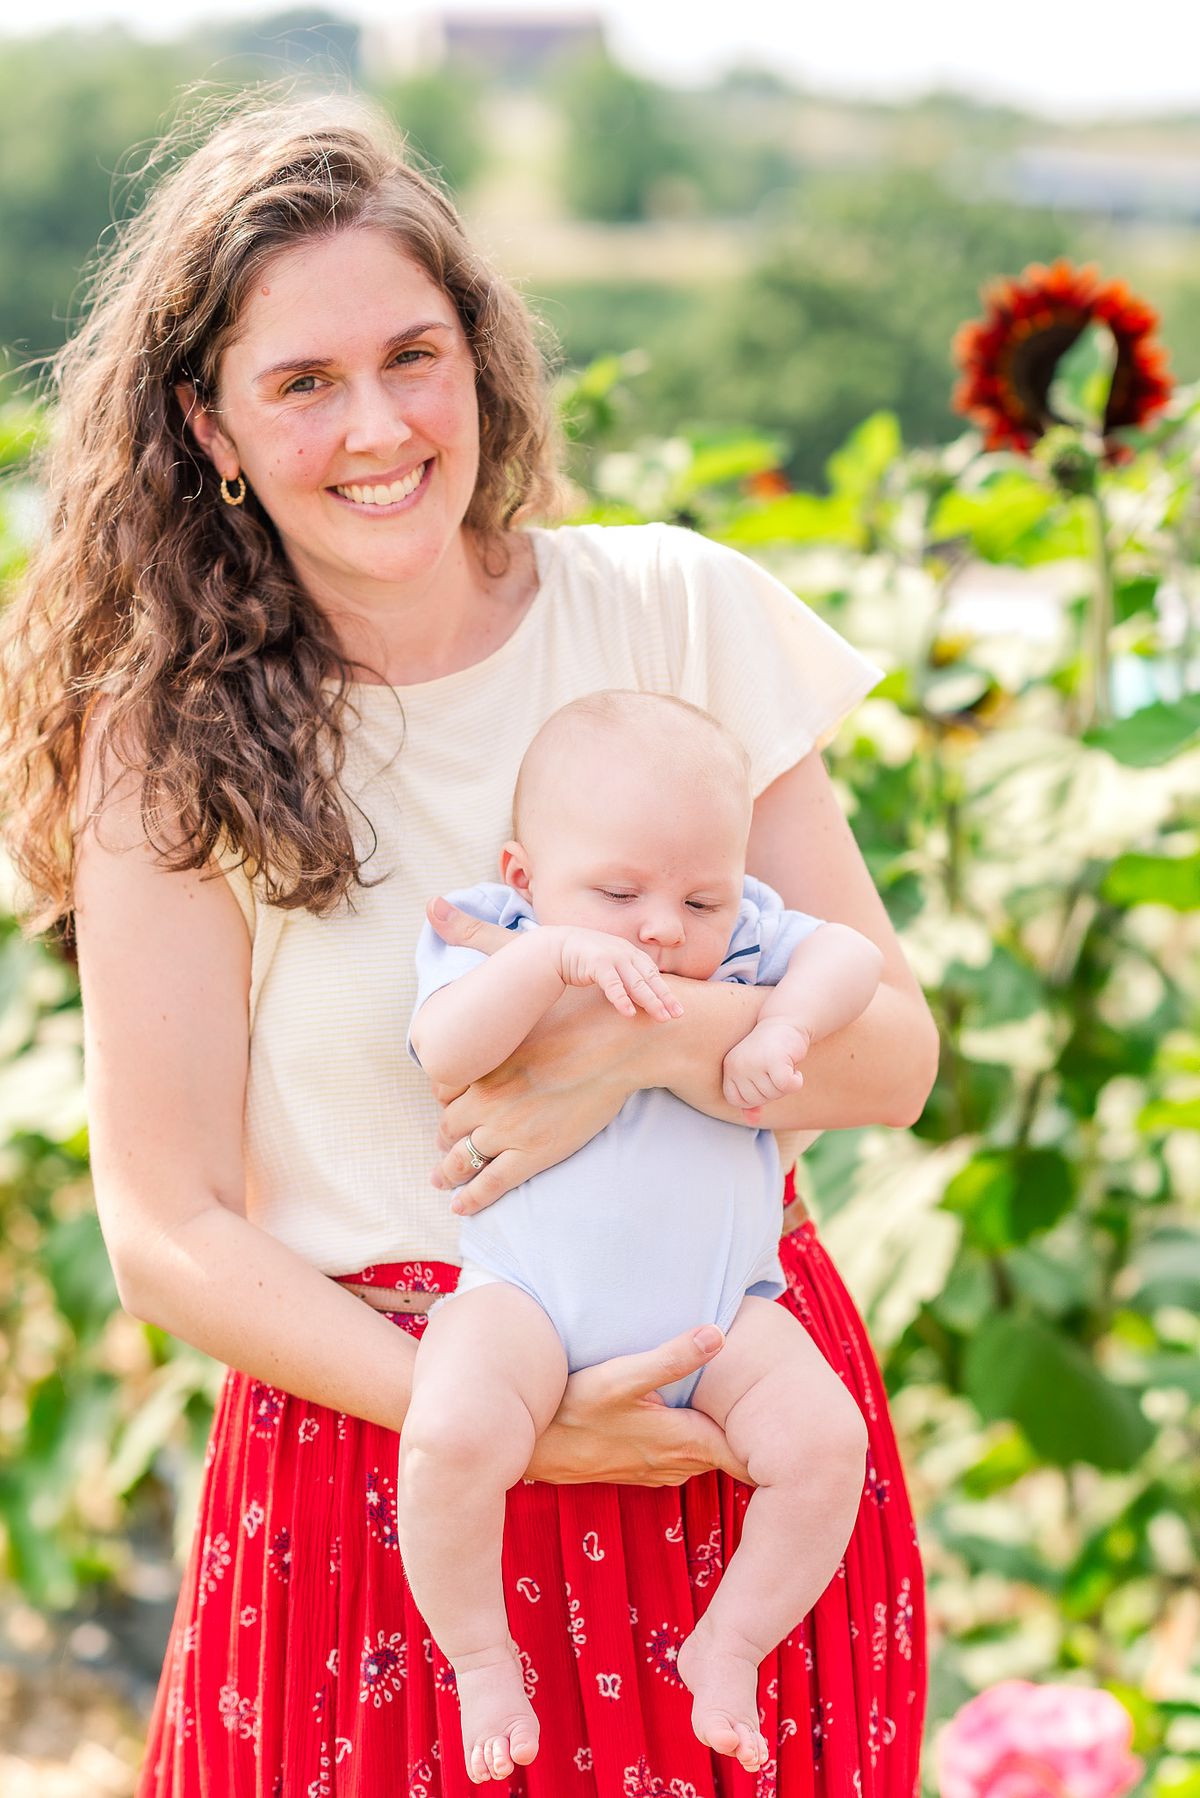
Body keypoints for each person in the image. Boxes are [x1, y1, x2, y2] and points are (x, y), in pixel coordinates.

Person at [0, 93, 937, 1797]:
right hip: (385, 1459)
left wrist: (648, 1047)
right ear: (207, 424)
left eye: (413, 353)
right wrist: (506, 1422)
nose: (379, 424)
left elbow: (893, 1056)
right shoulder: (172, 740)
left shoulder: (674, 613)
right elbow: (169, 1229)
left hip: (717, 1419)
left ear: (482, 359)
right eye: (302, 382)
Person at [402, 689, 885, 1784]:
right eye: (619, 893)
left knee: (824, 1444)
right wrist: (550, 963)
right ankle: (481, 1656)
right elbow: (442, 1052)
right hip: (526, 1303)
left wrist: (788, 1021)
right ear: (527, 877)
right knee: (447, 1440)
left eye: (699, 898)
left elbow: (854, 956)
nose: (663, 926)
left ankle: (732, 1643)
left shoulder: (748, 944)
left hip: (722, 1317)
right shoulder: (498, 932)